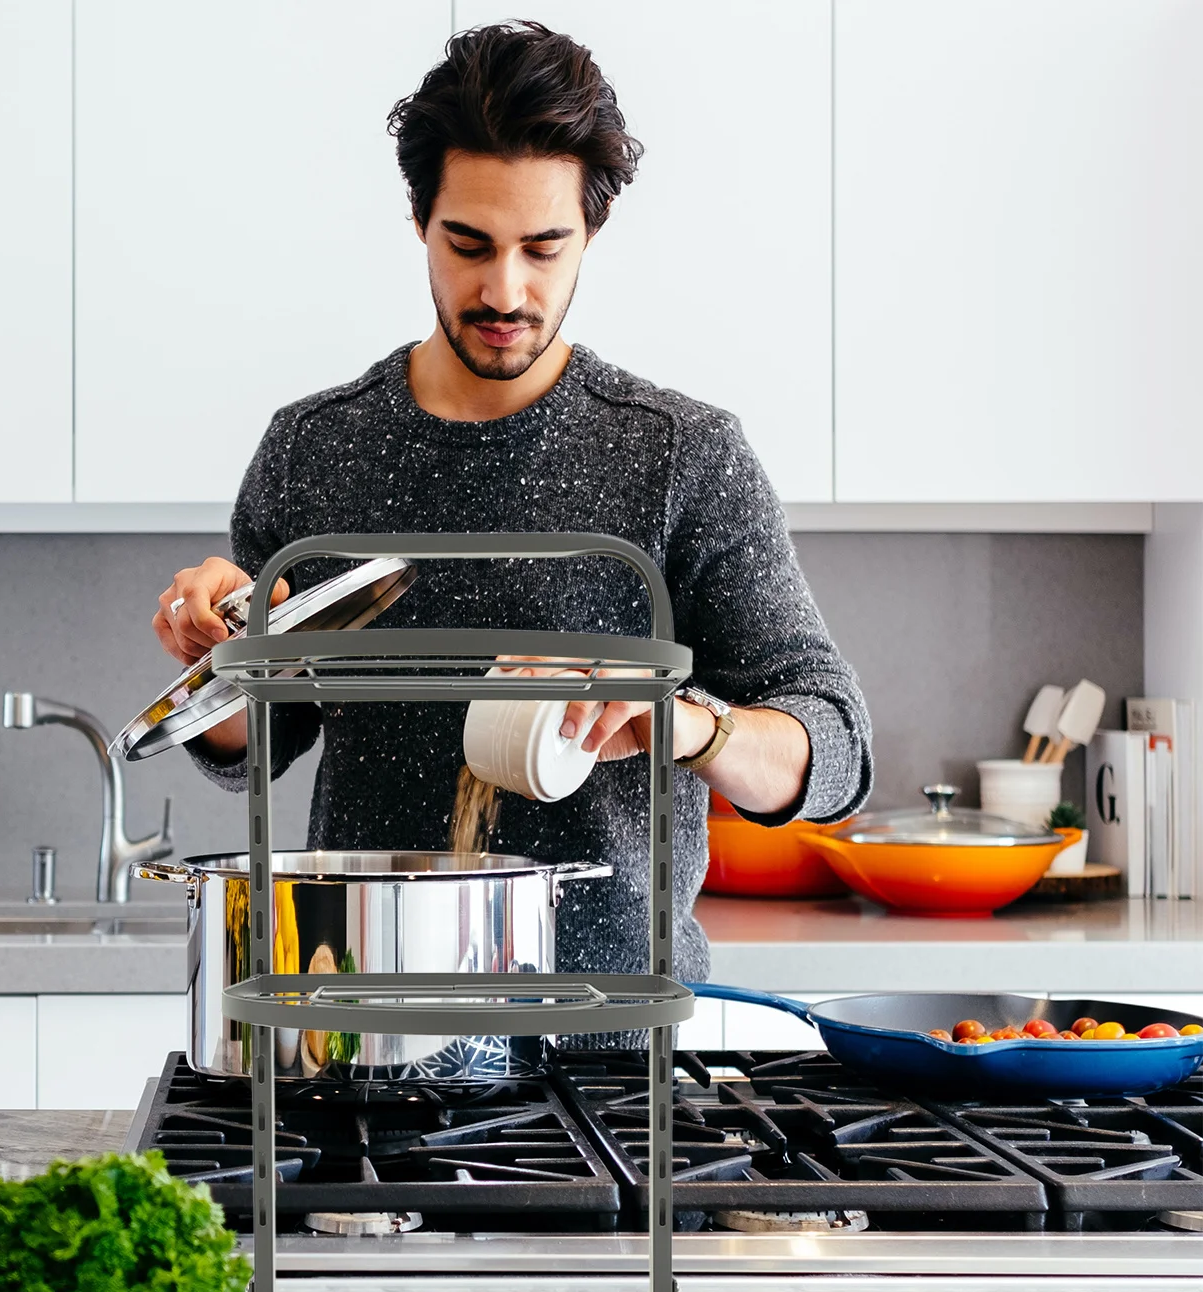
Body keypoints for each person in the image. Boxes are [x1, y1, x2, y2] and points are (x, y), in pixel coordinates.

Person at [152, 21, 871, 984]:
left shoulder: (680, 454)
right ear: (419, 221)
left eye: (543, 247)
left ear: (593, 231)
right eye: (469, 244)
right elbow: (259, 744)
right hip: (367, 1026)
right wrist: (220, 661)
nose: (505, 289)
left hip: (617, 1049)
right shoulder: (311, 449)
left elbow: (833, 749)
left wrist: (690, 725)